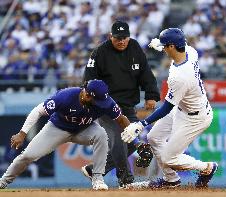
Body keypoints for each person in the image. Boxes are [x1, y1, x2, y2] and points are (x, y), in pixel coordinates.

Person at [121, 28, 218, 189]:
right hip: (183, 107)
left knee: (169, 159)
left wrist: (140, 125)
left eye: (165, 46)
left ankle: (207, 168)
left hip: (195, 118)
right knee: (154, 138)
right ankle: (170, 180)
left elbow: (166, 108)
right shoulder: (189, 51)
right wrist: (160, 45)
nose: (163, 48)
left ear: (172, 46)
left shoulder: (180, 77)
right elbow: (177, 48)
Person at [0, 79, 132, 190]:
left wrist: (133, 134)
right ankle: (3, 182)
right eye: (96, 100)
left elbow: (121, 119)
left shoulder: (106, 101)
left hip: (84, 130)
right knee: (28, 155)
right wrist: (22, 133)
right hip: (57, 128)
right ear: (86, 94)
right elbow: (38, 111)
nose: (100, 104)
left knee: (101, 134)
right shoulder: (65, 96)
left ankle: (97, 178)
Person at [82, 20, 160, 187]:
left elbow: (146, 73)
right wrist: (92, 99)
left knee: (129, 141)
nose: (122, 41)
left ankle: (95, 170)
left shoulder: (135, 47)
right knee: (119, 138)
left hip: (127, 106)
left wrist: (151, 95)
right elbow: (88, 79)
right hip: (106, 106)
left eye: (124, 37)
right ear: (111, 36)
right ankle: (125, 179)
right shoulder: (99, 52)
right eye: (118, 37)